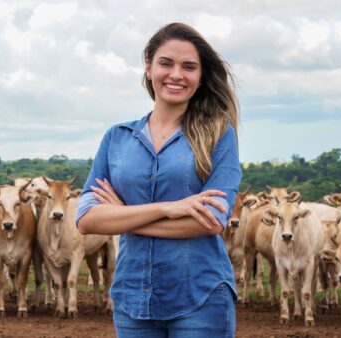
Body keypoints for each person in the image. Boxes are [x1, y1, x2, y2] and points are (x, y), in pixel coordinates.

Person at [76, 22, 241, 338]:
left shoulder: (219, 134)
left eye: (189, 67)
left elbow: (211, 220)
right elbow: (86, 219)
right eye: (166, 63)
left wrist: (123, 217)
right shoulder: (117, 139)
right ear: (149, 67)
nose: (176, 74)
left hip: (200, 297)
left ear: (201, 76)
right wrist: (171, 208)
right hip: (132, 300)